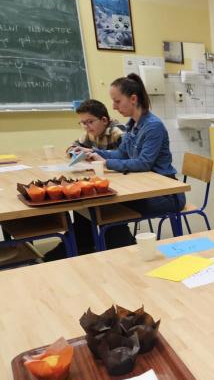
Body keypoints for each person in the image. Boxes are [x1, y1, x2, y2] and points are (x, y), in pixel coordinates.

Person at [43, 74, 184, 261]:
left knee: (106, 206)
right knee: (90, 205)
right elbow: (122, 153)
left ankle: (121, 253)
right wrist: (93, 152)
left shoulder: (153, 127)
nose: (114, 107)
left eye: (117, 101)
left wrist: (105, 162)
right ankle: (82, 248)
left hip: (165, 194)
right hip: (143, 187)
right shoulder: (133, 125)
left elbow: (143, 163)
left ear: (133, 99)